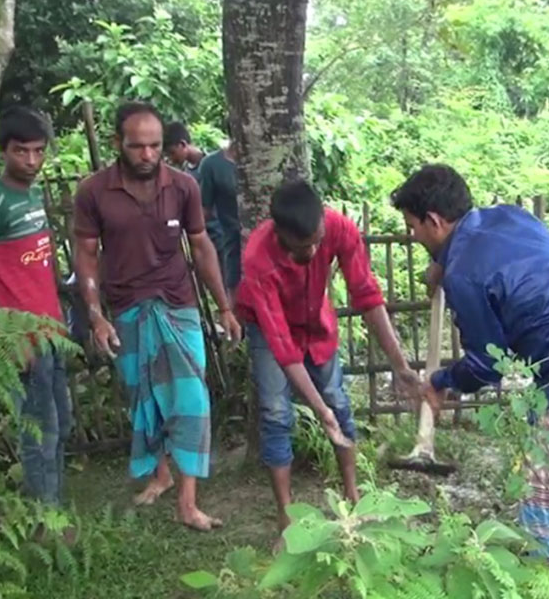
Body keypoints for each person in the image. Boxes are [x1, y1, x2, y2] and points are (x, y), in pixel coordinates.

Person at [391, 164, 549, 579]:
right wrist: (442, 264)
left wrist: (442, 382)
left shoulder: (464, 273)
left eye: (413, 227)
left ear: (434, 220)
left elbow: (488, 362)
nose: (413, 237)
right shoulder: (508, 217)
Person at [73, 101, 240, 531]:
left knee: (192, 401)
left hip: (177, 305)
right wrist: (96, 316)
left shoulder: (184, 186)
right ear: (117, 143)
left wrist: (224, 304)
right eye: (137, 146)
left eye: (155, 146)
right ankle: (159, 475)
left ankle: (188, 503)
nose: (148, 155)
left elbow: (201, 246)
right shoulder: (93, 192)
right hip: (127, 309)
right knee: (142, 399)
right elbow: (87, 256)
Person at [236, 180, 421, 546]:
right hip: (267, 328)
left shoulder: (339, 227)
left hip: (315, 322)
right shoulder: (258, 258)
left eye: (319, 240)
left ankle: (354, 498)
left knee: (339, 400)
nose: (316, 250)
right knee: (276, 413)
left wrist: (400, 366)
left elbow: (366, 294)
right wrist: (319, 412)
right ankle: (286, 516)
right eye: (304, 248)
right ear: (281, 235)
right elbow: (283, 349)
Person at [0, 106, 71, 507]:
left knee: (62, 423)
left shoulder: (34, 194)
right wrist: (7, 335)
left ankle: (55, 506)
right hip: (23, 337)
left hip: (53, 330)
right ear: (3, 150)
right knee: (40, 429)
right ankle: (46, 518)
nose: (32, 160)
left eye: (39, 151)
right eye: (22, 151)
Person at [197, 139, 241, 302]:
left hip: (269, 238)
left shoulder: (265, 159)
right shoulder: (212, 165)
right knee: (234, 287)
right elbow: (204, 208)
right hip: (232, 239)